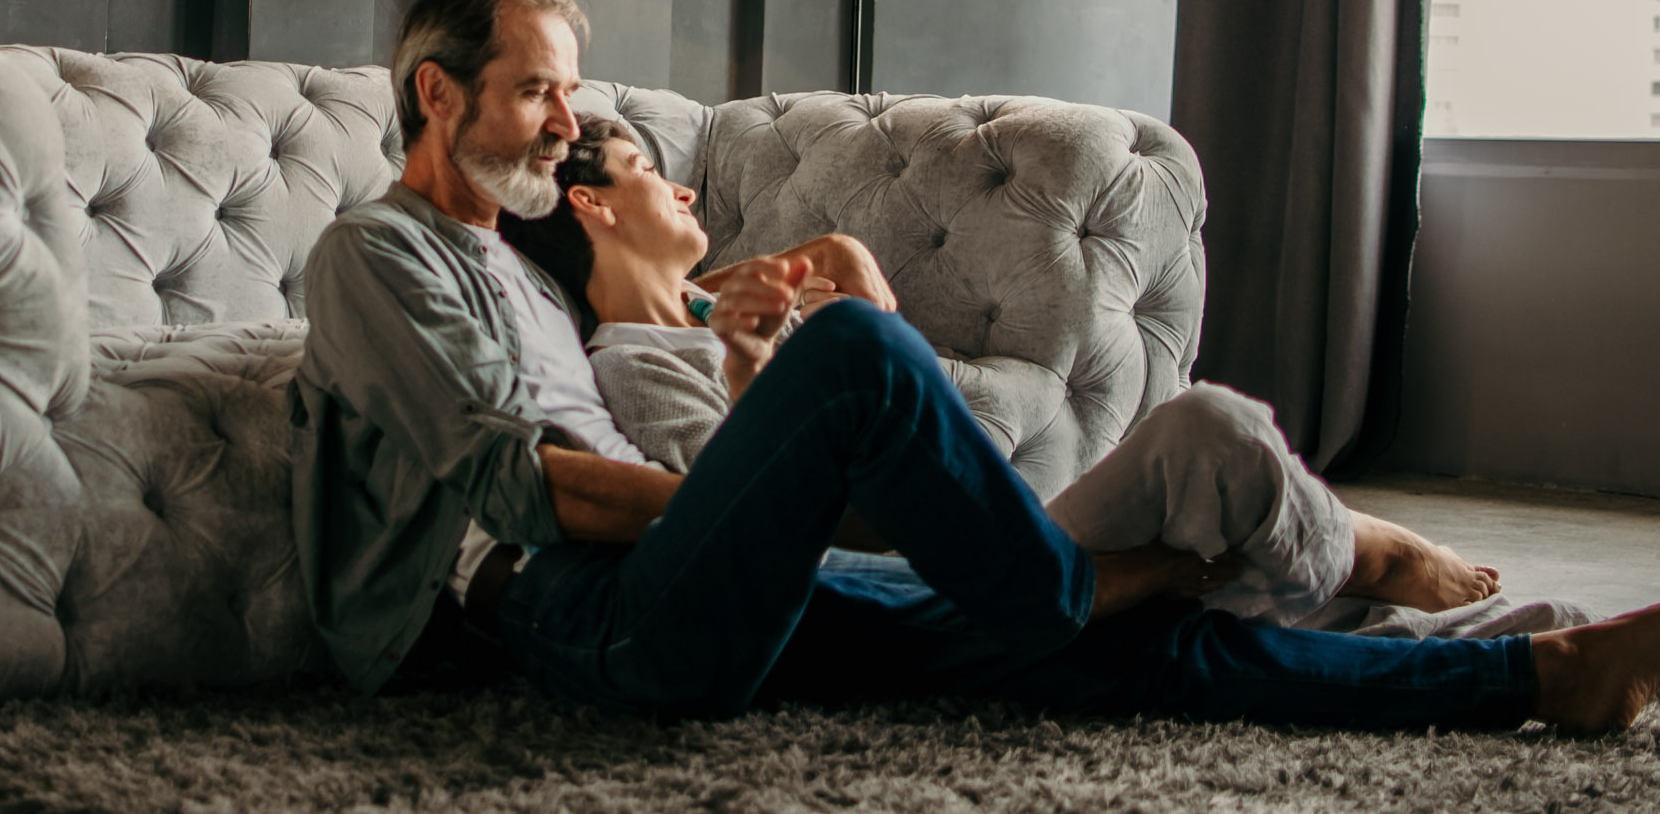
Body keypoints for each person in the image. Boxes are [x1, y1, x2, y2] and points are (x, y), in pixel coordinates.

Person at [289, 0, 1660, 736]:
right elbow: (539, 490)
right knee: (860, 362)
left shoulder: (525, 277)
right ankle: (1057, 586)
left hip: (672, 582)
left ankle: (1541, 678)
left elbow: (654, 419)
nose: (562, 117)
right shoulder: (375, 255)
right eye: (537, 90)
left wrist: (773, 490)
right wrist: (767, 499)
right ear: (437, 92)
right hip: (574, 619)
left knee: (1118, 660)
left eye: (568, 93)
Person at [501, 114, 1586, 635]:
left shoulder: (707, 308)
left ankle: (1472, 617)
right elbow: (747, 528)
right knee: (1206, 438)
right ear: (590, 204)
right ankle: (1388, 562)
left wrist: (819, 280)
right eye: (652, 175)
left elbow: (893, 381)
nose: (685, 196)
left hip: (997, 521)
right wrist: (751, 362)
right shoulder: (637, 364)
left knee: (1211, 489)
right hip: (949, 568)